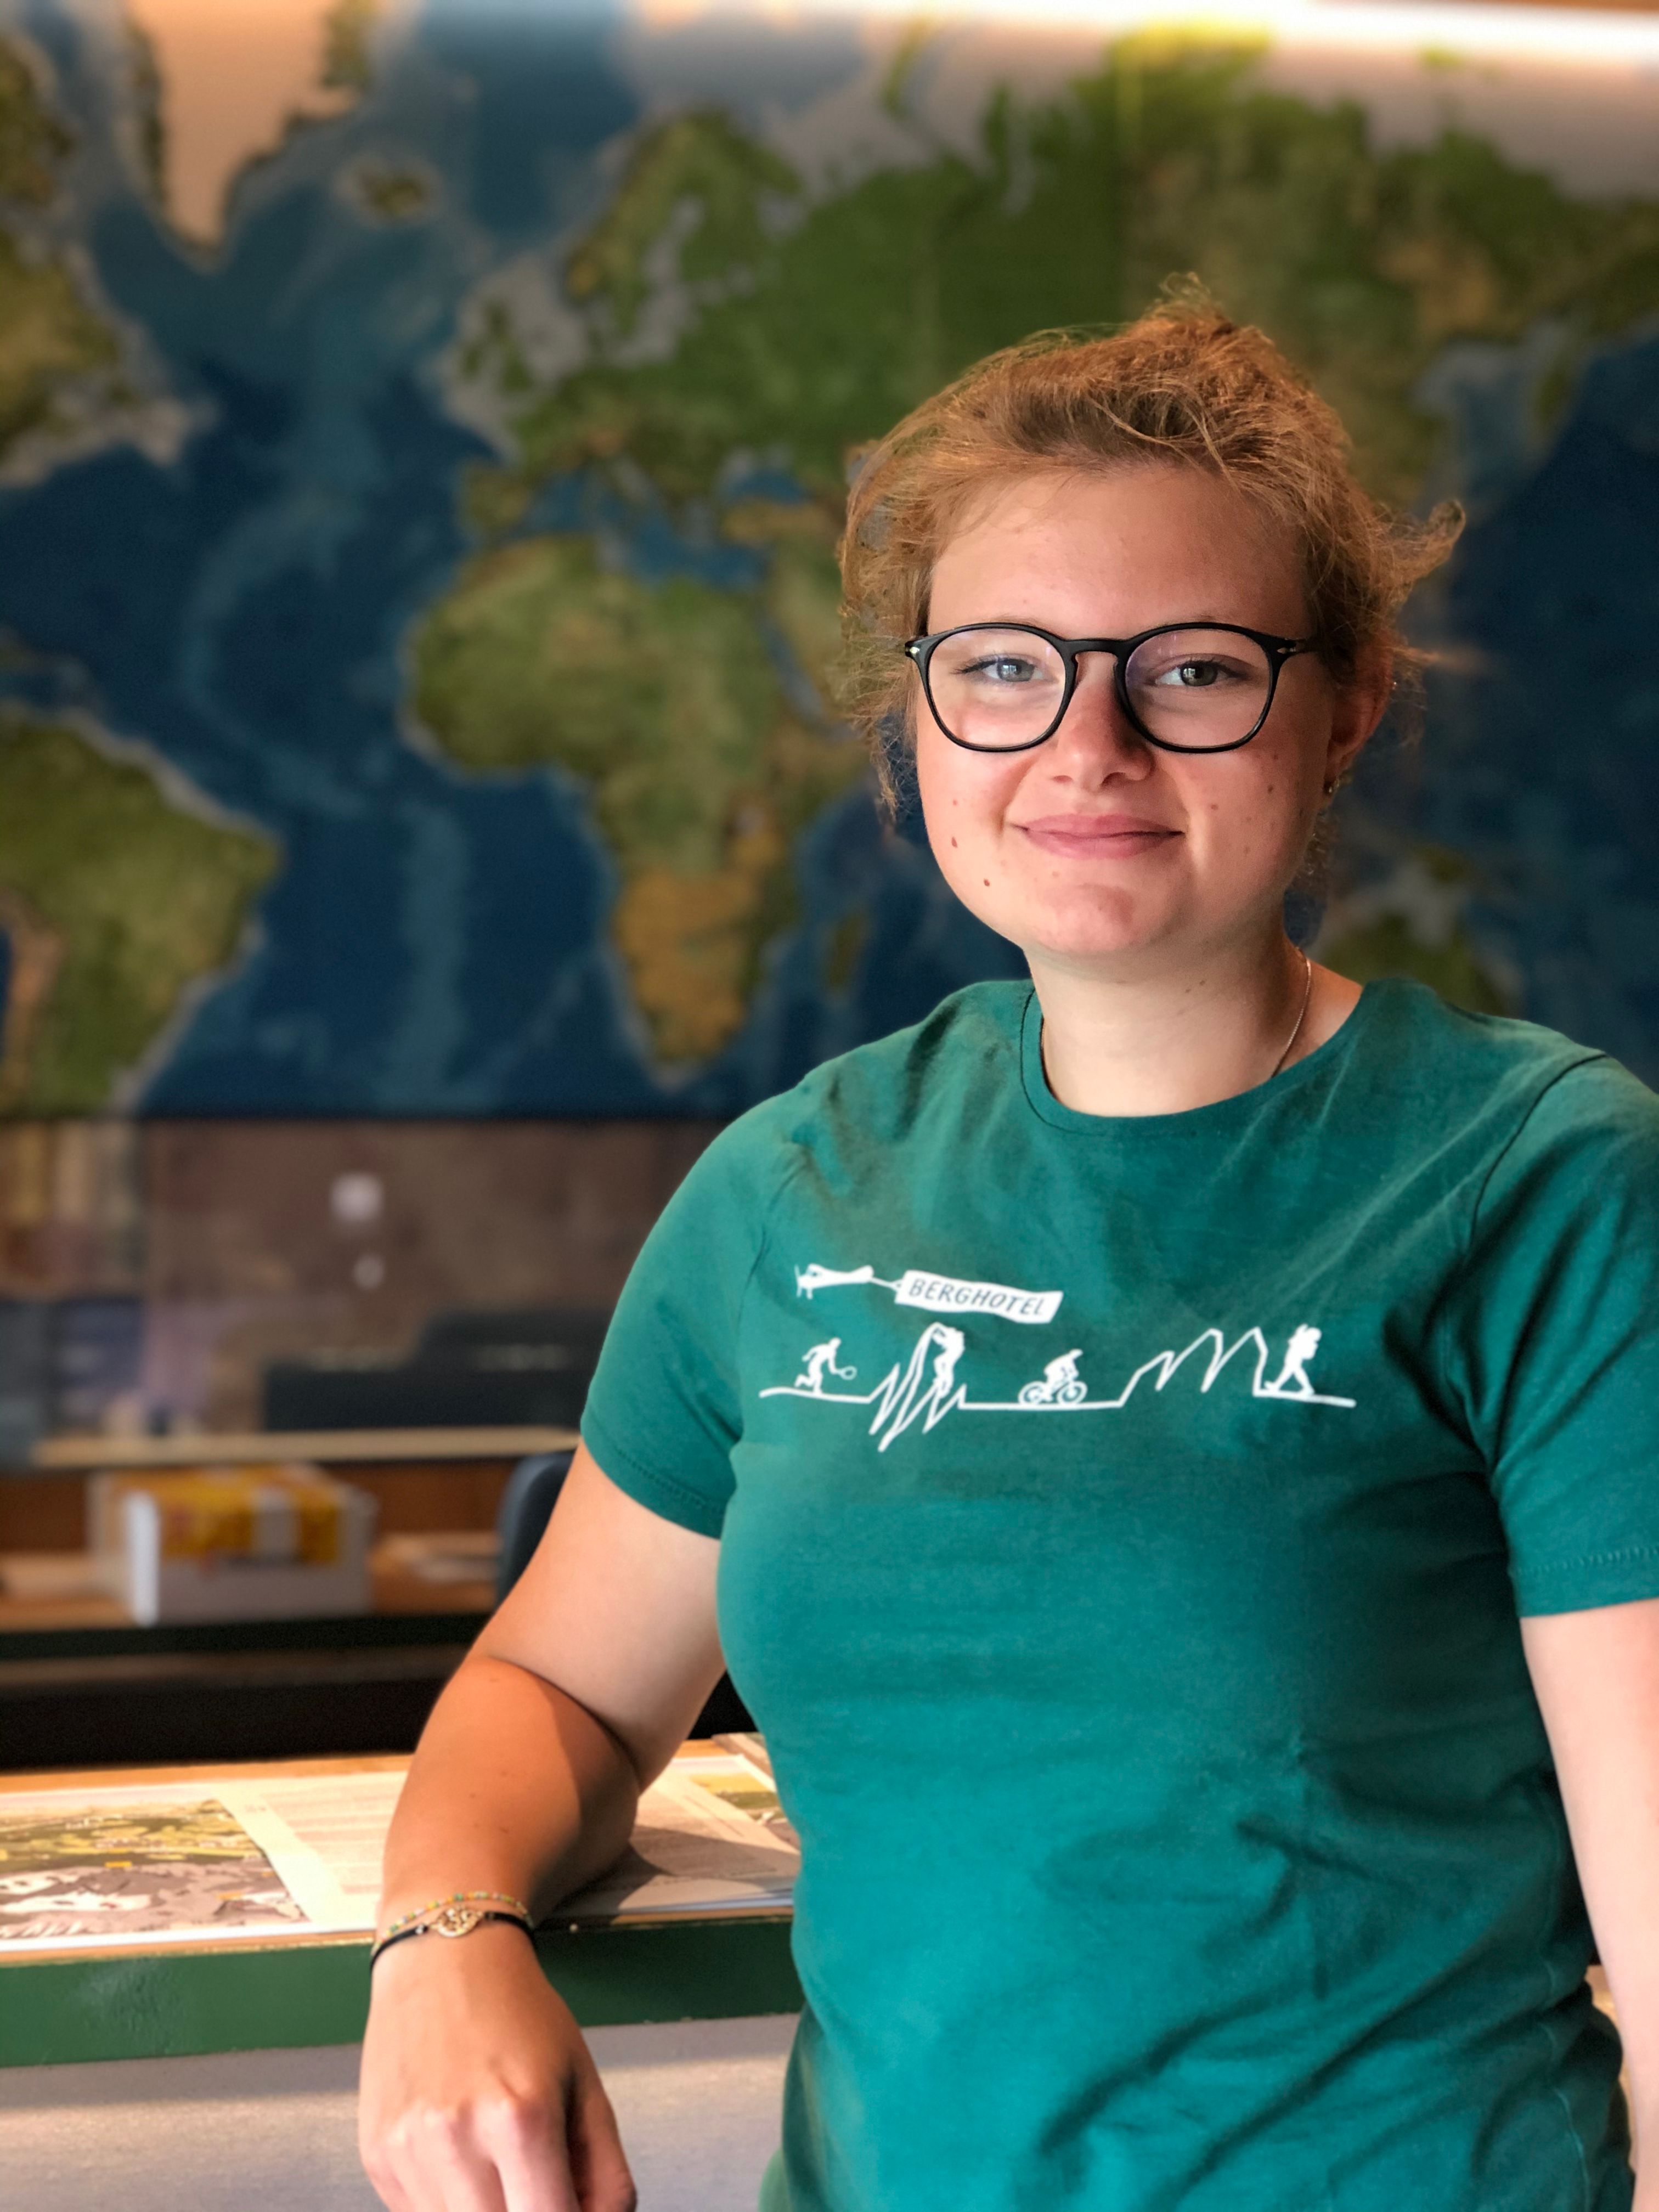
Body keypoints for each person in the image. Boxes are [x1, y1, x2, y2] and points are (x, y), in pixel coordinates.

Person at [358, 305, 1659, 2212]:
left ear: (1348, 705)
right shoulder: (791, 1190)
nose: (1086, 747)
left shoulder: (1545, 1181)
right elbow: (561, 1690)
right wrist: (444, 1935)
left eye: (1193, 670)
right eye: (1001, 668)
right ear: (918, 715)